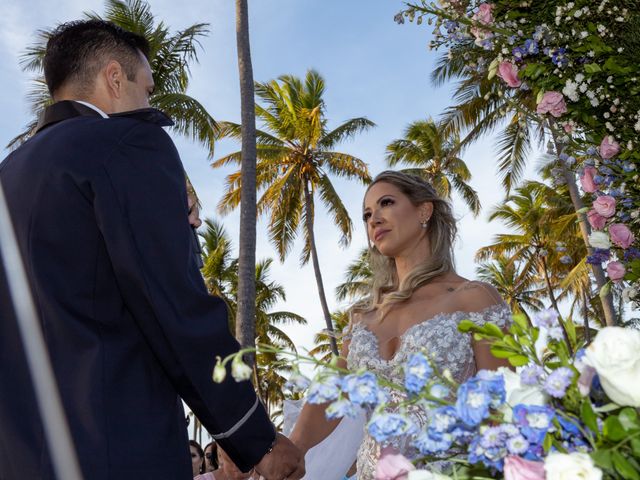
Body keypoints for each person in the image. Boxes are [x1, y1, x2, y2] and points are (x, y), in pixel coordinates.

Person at [0, 20, 304, 480]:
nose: (149, 104)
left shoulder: (9, 174)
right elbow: (172, 303)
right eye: (147, 89)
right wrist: (254, 435)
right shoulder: (127, 142)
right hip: (116, 449)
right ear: (114, 78)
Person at [288, 171, 512, 478]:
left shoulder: (474, 299)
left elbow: (502, 411)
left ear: (424, 210)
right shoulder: (363, 319)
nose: (374, 219)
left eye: (386, 203)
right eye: (367, 214)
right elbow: (334, 392)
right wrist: (294, 447)